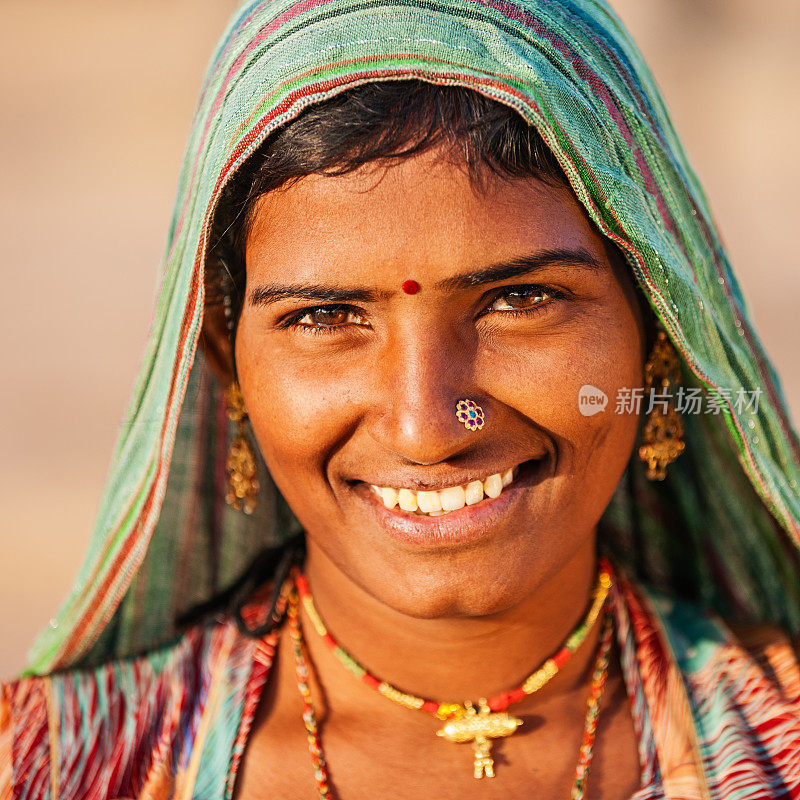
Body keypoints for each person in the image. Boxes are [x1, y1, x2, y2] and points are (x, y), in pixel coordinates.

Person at [2, 0, 800, 798]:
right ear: (226, 359)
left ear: (660, 330)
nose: (426, 428)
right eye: (326, 317)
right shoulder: (48, 771)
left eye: (520, 300)